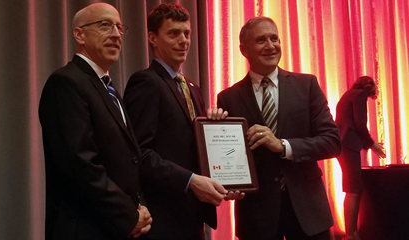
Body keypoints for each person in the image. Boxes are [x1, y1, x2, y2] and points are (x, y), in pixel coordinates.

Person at [123, 3, 243, 240]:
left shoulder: (192, 88)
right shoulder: (146, 82)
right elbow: (139, 154)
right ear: (152, 38)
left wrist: (226, 179)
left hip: (192, 216)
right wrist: (190, 181)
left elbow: (194, 149)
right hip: (162, 219)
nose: (184, 40)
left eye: (187, 33)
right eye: (173, 33)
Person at [217, 16, 341, 240]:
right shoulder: (228, 98)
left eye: (275, 38)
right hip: (257, 217)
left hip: (309, 215)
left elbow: (332, 141)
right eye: (261, 40)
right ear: (243, 50)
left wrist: (283, 146)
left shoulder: (307, 86)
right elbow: (229, 154)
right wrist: (228, 182)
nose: (271, 46)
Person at [38, 3, 152, 239]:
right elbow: (80, 166)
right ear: (79, 34)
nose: (115, 34)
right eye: (104, 25)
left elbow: (127, 161)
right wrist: (129, 215)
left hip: (117, 228)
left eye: (119, 28)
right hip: (86, 229)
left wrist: (138, 210)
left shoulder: (107, 88)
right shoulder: (66, 83)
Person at [335, 76, 386, 240]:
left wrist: (368, 144)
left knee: (353, 189)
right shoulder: (359, 95)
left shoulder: (348, 94)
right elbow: (360, 124)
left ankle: (352, 233)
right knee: (354, 190)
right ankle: (351, 234)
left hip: (343, 144)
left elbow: (348, 124)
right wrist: (372, 144)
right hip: (348, 145)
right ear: (368, 88)